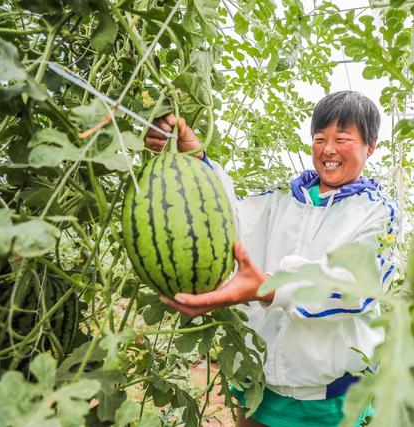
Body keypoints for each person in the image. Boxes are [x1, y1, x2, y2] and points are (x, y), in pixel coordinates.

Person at [145, 91, 398, 427]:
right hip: (260, 383)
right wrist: (196, 158)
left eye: (342, 138)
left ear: (370, 146)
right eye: (320, 139)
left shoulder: (376, 212)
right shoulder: (283, 199)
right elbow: (228, 217)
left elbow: (357, 285)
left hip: (328, 397)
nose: (328, 150)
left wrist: (269, 288)